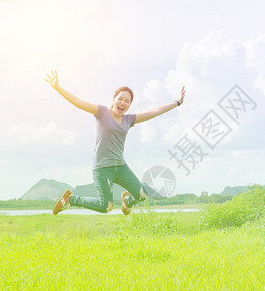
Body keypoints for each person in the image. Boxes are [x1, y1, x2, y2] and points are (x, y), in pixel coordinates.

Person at [44, 70, 186, 215]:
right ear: (114, 99)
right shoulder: (102, 112)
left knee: (141, 195)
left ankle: (127, 201)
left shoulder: (128, 119)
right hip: (102, 168)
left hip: (121, 167)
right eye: (120, 98)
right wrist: (57, 87)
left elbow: (155, 111)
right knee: (106, 207)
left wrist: (177, 103)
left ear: (130, 104)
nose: (123, 103)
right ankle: (70, 199)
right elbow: (77, 101)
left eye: (127, 101)